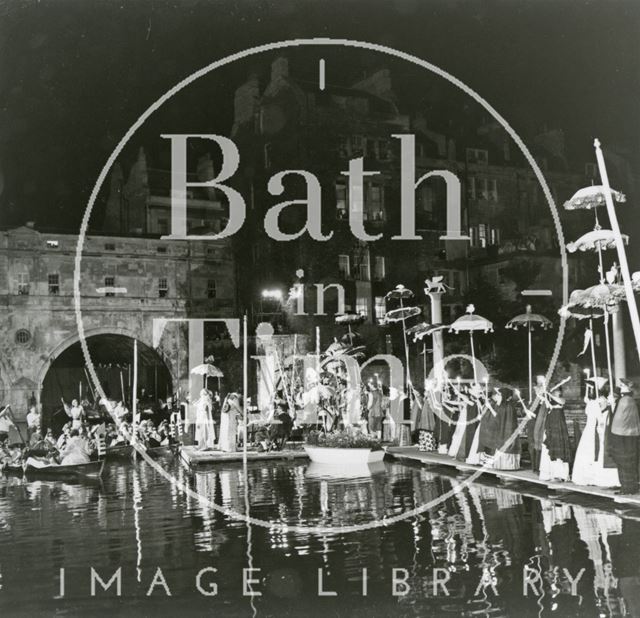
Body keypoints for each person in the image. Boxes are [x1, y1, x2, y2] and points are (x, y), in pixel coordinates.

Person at [572, 378, 619, 488]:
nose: (590, 390)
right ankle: (587, 476)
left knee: (595, 451)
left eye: (592, 388)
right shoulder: (591, 400)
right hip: (589, 428)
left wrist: (601, 425)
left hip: (595, 427)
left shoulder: (601, 400)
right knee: (586, 452)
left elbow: (602, 414)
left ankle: (597, 476)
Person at [609, 378, 640, 494]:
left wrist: (613, 407)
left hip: (621, 436)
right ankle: (631, 487)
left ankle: (625, 488)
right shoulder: (631, 400)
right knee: (630, 462)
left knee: (622, 462)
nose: (620, 386)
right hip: (632, 435)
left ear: (628, 388)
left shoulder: (623, 400)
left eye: (622, 385)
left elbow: (617, 419)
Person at [539, 385, 572, 482]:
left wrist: (548, 393)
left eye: (556, 390)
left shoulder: (561, 399)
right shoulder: (551, 399)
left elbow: (559, 401)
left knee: (559, 445)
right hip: (551, 422)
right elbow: (548, 404)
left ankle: (561, 474)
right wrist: (543, 395)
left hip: (558, 424)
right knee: (550, 445)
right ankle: (551, 473)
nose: (554, 391)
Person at [491, 388, 521, 470]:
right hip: (503, 429)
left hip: (507, 430)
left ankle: (508, 465)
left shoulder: (507, 406)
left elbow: (497, 417)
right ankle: (503, 465)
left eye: (500, 395)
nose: (498, 396)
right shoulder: (505, 405)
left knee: (506, 445)